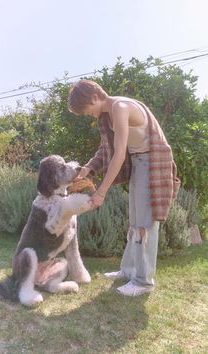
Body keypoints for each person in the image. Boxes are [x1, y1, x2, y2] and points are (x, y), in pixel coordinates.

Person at [68, 79, 180, 296]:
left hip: (152, 164)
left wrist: (101, 192)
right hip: (140, 163)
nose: (88, 114)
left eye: (86, 110)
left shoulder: (120, 108)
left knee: (146, 224)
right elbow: (106, 149)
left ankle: (143, 282)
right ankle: (128, 271)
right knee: (135, 221)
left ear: (94, 98)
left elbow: (119, 155)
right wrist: (89, 169)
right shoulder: (107, 114)